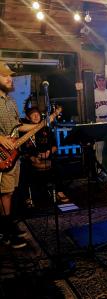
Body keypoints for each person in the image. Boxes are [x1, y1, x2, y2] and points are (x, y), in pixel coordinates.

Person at [0, 62, 49, 248]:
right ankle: (6, 232)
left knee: (10, 192)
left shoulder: (11, 102)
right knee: (4, 193)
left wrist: (42, 124)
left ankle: (8, 225)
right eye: (4, 75)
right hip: (1, 154)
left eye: (10, 76)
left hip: (13, 154)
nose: (9, 78)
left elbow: (18, 127)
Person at [20, 106, 69, 206]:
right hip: (31, 160)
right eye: (33, 115)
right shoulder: (24, 131)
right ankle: (26, 197)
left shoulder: (46, 128)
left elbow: (55, 146)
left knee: (58, 167)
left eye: (37, 114)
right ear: (28, 118)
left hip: (47, 158)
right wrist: (32, 157)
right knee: (23, 170)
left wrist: (48, 152)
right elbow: (22, 150)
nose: (36, 116)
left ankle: (59, 192)